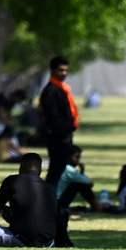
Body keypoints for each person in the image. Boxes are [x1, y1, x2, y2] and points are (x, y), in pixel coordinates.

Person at [0, 153, 58, 246]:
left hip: (20, 239)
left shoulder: (12, 180)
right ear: (40, 170)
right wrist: (12, 218)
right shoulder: (49, 187)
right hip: (47, 242)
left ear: (21, 167)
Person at [39, 55, 79, 186]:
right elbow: (52, 117)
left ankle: (56, 200)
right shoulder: (51, 91)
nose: (64, 73)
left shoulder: (62, 89)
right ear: (52, 70)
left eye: (66, 70)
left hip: (65, 136)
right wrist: (65, 130)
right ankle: (48, 198)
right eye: (60, 70)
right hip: (57, 137)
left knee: (62, 170)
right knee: (56, 170)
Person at [55, 144, 97, 210]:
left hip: (54, 200)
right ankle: (97, 206)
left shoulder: (61, 167)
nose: (78, 161)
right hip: (58, 201)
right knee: (79, 185)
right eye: (77, 157)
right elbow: (89, 183)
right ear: (68, 157)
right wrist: (82, 171)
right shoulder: (69, 170)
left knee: (79, 184)